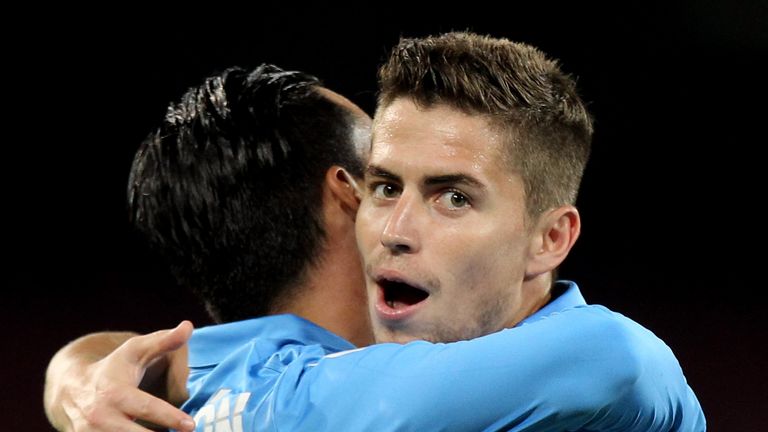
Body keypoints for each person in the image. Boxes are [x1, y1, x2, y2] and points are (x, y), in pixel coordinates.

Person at [45, 33, 705, 432]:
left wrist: (81, 382)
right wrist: (77, 381)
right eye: (384, 186)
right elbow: (133, 355)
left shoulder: (601, 365)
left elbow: (618, 364)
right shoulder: (282, 356)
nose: (395, 227)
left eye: (451, 196)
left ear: (549, 239)